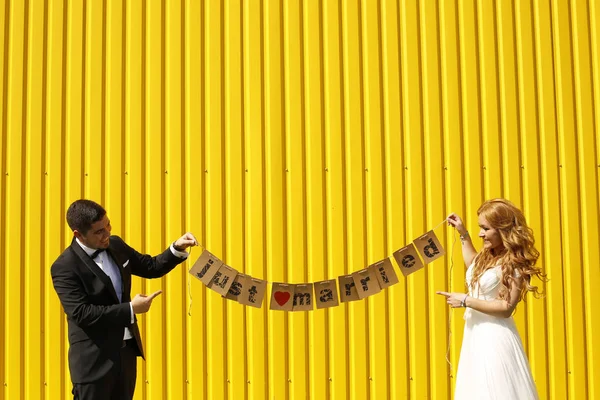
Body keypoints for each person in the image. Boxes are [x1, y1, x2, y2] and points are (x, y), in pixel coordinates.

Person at [51, 199, 198, 400]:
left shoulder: (116, 245)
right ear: (78, 234)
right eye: (99, 231)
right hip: (93, 364)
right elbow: (81, 313)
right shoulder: (64, 267)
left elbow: (150, 266)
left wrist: (176, 249)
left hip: (126, 354)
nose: (107, 234)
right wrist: (130, 309)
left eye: (108, 225)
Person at [437, 198, 545, 400]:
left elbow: (506, 308)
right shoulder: (488, 256)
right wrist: (463, 233)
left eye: (485, 229)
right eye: (480, 228)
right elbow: (472, 264)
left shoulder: (514, 262)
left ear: (502, 229)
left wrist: (465, 301)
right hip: (475, 334)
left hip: (495, 339)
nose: (480, 234)